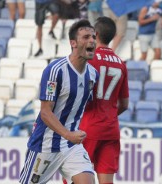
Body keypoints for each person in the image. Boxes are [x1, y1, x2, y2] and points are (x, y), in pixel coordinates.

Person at [19, 19, 98, 184]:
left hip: (71, 146)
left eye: (93, 37)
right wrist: (68, 134)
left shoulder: (92, 74)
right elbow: (46, 112)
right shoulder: (56, 70)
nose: (91, 40)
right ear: (73, 43)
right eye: (86, 37)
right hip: (46, 144)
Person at [80, 16, 129, 184]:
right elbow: (124, 104)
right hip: (111, 128)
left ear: (96, 34)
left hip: (88, 128)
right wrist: (110, 115)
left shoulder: (88, 59)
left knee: (76, 178)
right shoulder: (121, 63)